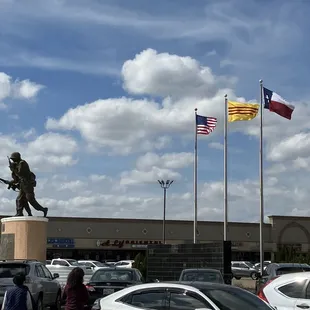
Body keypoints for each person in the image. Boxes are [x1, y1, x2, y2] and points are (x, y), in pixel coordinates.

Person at [9, 152, 48, 217]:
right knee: (19, 199)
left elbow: (20, 174)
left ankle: (43, 209)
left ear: (17, 158)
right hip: (22, 185)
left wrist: (14, 169)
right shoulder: (17, 165)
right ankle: (19, 213)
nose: (13, 160)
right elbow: (17, 178)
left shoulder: (22, 163)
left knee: (31, 200)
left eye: (13, 159)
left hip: (27, 185)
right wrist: (11, 180)